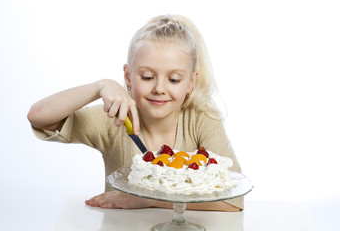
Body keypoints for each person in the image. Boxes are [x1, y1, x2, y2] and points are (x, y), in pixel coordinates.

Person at [27, 14, 243, 211]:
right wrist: (100, 86)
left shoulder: (200, 117)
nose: (159, 88)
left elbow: (233, 202)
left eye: (174, 79)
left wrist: (149, 200)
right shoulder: (115, 118)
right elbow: (38, 116)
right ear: (128, 77)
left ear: (190, 82)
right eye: (147, 77)